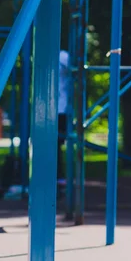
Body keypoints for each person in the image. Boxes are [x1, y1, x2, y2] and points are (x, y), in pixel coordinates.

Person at [57, 49, 71, 185]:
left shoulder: (63, 56)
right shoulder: (62, 56)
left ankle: (58, 175)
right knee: (55, 144)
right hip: (58, 108)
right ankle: (57, 175)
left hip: (61, 109)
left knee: (57, 143)